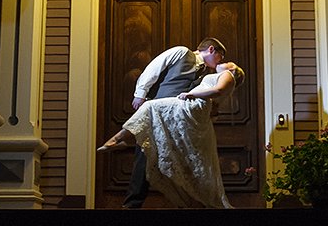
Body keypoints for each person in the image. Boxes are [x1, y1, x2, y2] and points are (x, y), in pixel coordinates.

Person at [99, 61, 246, 209]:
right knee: (151, 111)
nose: (224, 62)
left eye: (228, 63)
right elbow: (215, 108)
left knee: (150, 106)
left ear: (233, 70)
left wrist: (191, 93)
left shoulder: (227, 75)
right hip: (197, 107)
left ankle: (116, 139)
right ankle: (118, 139)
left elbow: (218, 91)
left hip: (194, 104)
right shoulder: (223, 78)